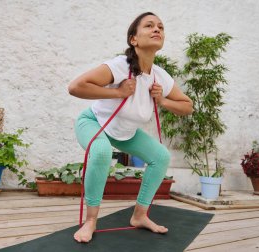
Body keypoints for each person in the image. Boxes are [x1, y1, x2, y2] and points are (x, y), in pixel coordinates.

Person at [68, 12, 193, 243]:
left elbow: (187, 106)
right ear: (133, 39)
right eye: (149, 26)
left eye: (160, 27)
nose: (157, 29)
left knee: (160, 156)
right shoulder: (119, 66)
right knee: (102, 151)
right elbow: (76, 87)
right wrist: (118, 92)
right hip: (95, 123)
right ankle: (91, 220)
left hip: (126, 134)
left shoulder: (160, 77)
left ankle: (140, 215)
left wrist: (163, 101)